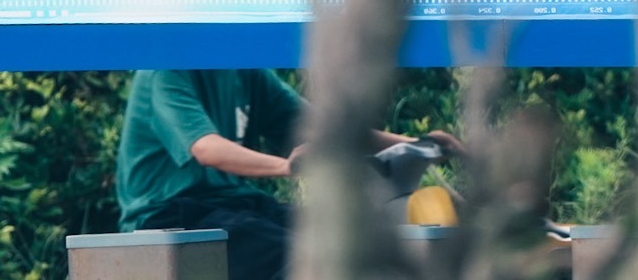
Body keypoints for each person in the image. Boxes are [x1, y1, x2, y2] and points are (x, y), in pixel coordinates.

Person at [114, 69, 446, 280]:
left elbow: (329, 130)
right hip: (170, 215)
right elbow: (205, 148)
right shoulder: (165, 70)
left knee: (343, 234)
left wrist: (422, 144)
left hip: (236, 206)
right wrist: (286, 167)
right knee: (298, 254)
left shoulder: (245, 70)